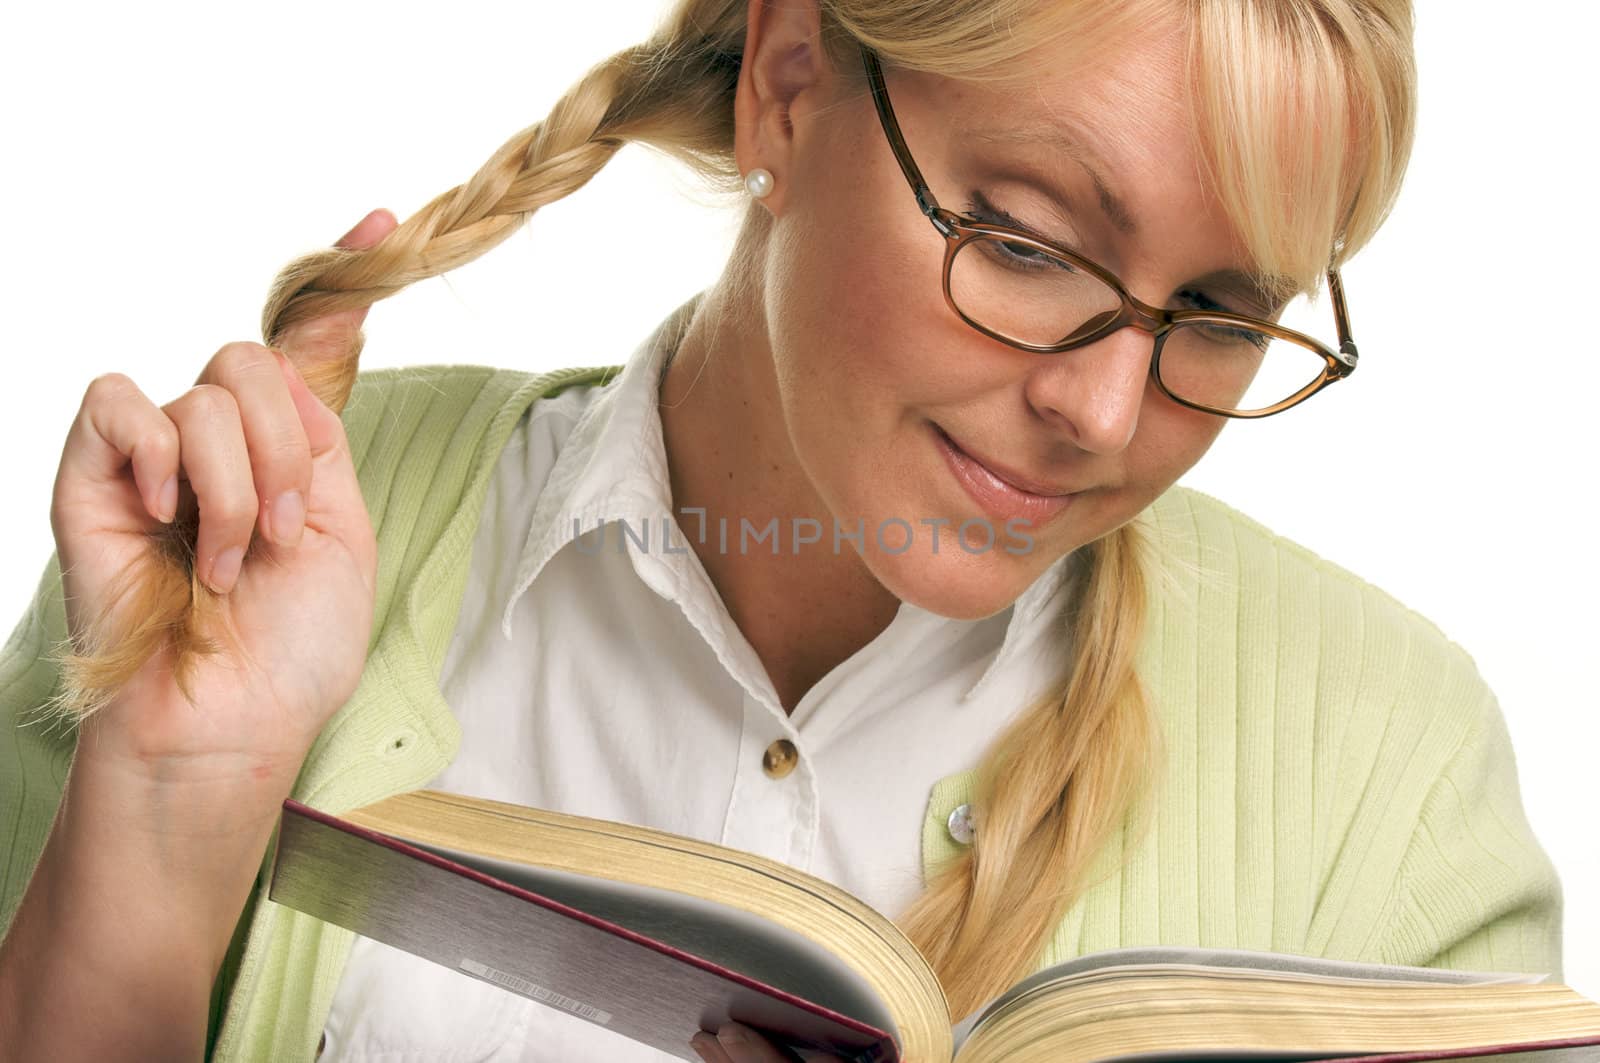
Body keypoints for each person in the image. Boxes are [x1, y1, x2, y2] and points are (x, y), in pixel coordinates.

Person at [0, 0, 1564, 1060]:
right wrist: (168, 807)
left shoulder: (1391, 771)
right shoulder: (240, 555)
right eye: (1026, 244)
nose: (1100, 411)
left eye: (1221, 313)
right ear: (792, 83)